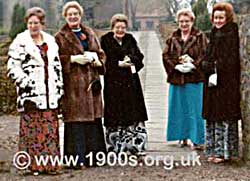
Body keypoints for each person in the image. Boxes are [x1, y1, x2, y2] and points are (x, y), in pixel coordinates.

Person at [7, 7, 63, 174]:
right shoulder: (20, 42)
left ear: (42, 24)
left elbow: (57, 66)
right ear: (27, 24)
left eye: (36, 23)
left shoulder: (51, 42)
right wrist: (26, 82)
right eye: (30, 23)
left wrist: (59, 87)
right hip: (31, 96)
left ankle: (50, 165)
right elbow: (12, 67)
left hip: (50, 95)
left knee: (50, 132)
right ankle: (32, 166)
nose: (33, 26)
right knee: (32, 132)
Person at [55, 1, 106, 168]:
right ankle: (76, 160)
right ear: (65, 17)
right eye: (69, 14)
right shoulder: (60, 36)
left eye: (75, 14)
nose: (73, 17)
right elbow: (55, 60)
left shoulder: (89, 32)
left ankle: (94, 158)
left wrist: (98, 60)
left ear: (80, 15)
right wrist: (72, 59)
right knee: (76, 121)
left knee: (93, 120)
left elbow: (101, 53)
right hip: (74, 87)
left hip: (92, 85)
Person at [100, 14, 148, 155]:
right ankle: (115, 147)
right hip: (114, 83)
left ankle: (135, 146)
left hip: (130, 82)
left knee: (133, 113)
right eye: (117, 27)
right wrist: (117, 64)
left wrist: (131, 59)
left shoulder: (130, 39)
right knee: (116, 113)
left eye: (123, 27)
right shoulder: (105, 40)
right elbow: (103, 60)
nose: (120, 30)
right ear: (112, 27)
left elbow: (139, 56)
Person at [162, 8, 207, 149]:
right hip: (177, 78)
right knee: (178, 108)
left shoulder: (200, 36)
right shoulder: (172, 38)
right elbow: (165, 55)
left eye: (187, 21)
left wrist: (194, 64)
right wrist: (175, 66)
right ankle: (182, 137)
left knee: (195, 109)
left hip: (195, 78)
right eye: (181, 21)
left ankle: (197, 139)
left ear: (192, 21)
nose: (184, 24)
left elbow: (205, 54)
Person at [202, 2, 241, 163]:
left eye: (221, 17)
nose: (217, 21)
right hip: (212, 82)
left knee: (223, 117)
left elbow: (230, 59)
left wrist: (214, 65)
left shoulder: (231, 34)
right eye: (215, 17)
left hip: (226, 83)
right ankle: (212, 150)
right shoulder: (214, 33)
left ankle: (224, 153)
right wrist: (206, 65)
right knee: (212, 117)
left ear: (227, 18)